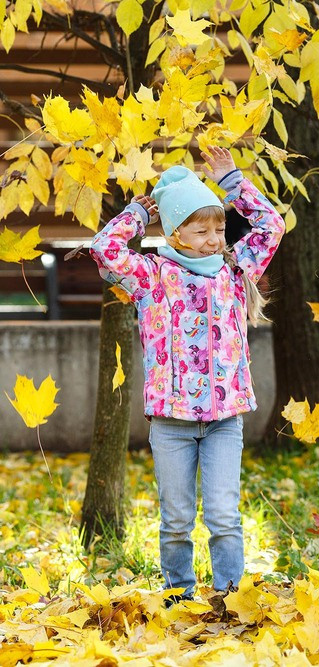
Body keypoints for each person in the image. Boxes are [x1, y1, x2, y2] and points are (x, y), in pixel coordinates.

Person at [90, 146, 284, 604]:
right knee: (175, 518)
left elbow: (271, 226)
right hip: (171, 424)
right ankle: (178, 595)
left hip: (224, 420)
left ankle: (229, 596)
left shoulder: (235, 272)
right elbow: (105, 249)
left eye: (219, 227)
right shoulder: (152, 276)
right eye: (202, 230)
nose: (215, 238)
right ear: (176, 234)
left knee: (223, 515)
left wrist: (233, 181)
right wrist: (140, 211)